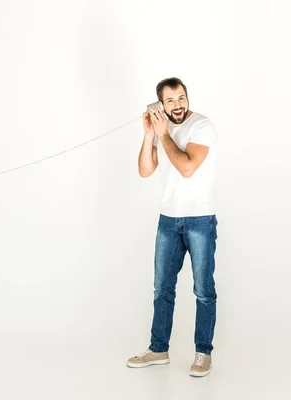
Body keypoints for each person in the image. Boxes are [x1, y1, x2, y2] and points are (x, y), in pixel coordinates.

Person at [127, 78, 218, 377]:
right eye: (170, 101)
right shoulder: (160, 130)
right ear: (161, 104)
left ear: (187, 98)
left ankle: (203, 353)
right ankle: (158, 349)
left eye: (181, 98)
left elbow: (187, 167)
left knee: (203, 290)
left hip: (199, 219)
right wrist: (149, 134)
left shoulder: (201, 126)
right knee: (162, 288)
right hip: (168, 219)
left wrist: (164, 135)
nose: (177, 105)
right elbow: (145, 170)